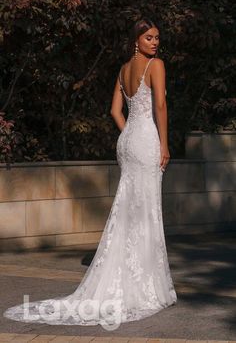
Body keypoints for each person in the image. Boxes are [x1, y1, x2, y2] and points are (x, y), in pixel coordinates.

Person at [3, 17, 177, 329]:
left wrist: (129, 134)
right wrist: (163, 143)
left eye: (157, 38)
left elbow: (114, 111)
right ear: (136, 40)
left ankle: (134, 277)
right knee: (146, 210)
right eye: (149, 37)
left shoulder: (123, 70)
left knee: (129, 210)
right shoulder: (157, 66)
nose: (155, 42)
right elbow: (160, 105)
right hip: (146, 140)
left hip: (128, 142)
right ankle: (147, 287)